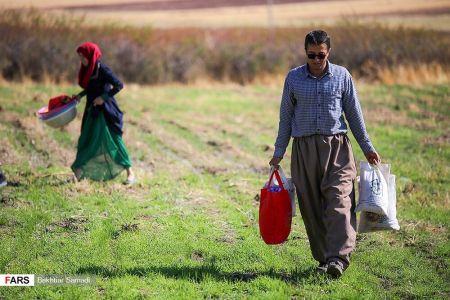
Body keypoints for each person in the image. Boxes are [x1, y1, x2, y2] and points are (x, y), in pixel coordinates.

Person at [269, 30, 380, 278]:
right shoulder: (294, 79)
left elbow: (354, 115)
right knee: (312, 207)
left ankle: (338, 258)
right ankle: (324, 258)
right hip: (304, 150)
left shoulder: (342, 76)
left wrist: (368, 147)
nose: (317, 60)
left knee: (341, 200)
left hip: (337, 148)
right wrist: (279, 151)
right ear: (305, 53)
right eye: (312, 55)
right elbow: (285, 117)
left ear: (328, 52)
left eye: (321, 55)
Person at [71, 42, 135, 184]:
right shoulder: (88, 70)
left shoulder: (103, 70)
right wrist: (80, 96)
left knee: (114, 140)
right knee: (86, 139)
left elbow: (119, 85)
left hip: (106, 111)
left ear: (91, 56)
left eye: (83, 57)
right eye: (80, 57)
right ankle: (77, 174)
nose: (81, 60)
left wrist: (103, 98)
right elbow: (91, 88)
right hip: (92, 110)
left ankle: (130, 173)